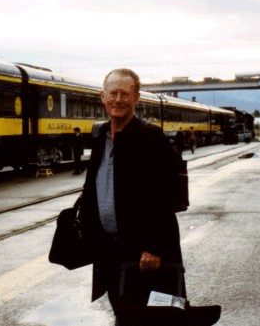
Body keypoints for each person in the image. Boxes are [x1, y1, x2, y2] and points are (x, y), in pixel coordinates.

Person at [79, 68, 185, 325]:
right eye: (112, 93)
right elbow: (92, 188)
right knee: (122, 312)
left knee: (152, 317)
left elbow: (170, 195)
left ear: (136, 98)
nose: (118, 100)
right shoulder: (100, 136)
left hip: (144, 254)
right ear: (102, 97)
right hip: (109, 249)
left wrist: (154, 248)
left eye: (125, 94)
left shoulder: (151, 137)